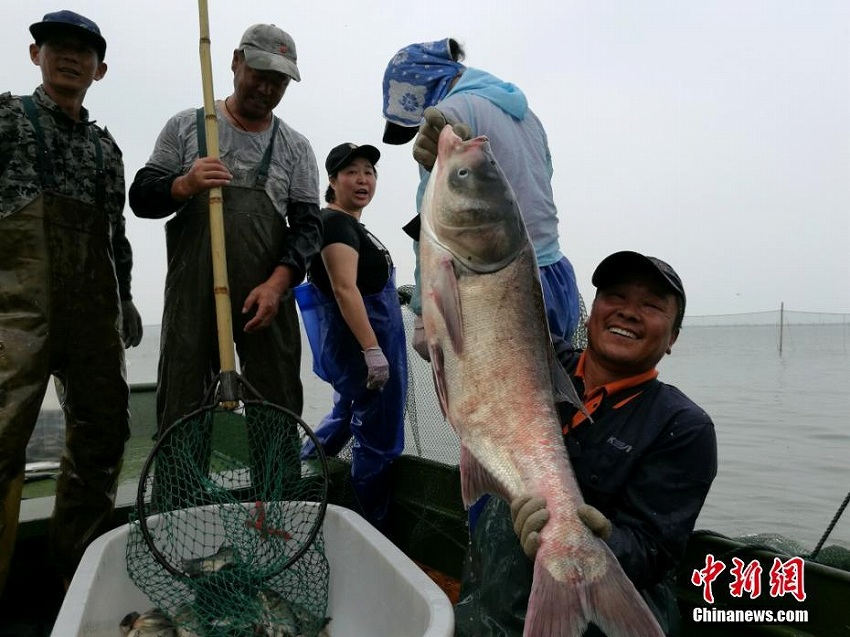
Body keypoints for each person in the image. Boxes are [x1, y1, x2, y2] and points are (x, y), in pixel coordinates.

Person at [453, 251, 718, 637]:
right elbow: (483, 301)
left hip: (602, 621)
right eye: (616, 296)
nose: (628, 312)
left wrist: (602, 538)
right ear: (591, 312)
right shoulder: (535, 359)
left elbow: (653, 551)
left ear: (673, 337)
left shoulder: (683, 426)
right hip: (492, 593)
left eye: (651, 305)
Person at [128, 24, 321, 490]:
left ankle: (277, 513)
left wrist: (278, 285)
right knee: (182, 401)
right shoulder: (187, 128)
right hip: (194, 291)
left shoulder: (296, 147)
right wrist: (184, 183)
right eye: (260, 73)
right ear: (235, 62)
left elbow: (309, 229)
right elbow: (142, 198)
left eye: (280, 81)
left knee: (276, 402)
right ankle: (180, 507)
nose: (268, 87)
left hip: (266, 296)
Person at [0, 10, 142, 592]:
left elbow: (117, 234)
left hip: (93, 311)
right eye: (58, 46)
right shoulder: (6, 118)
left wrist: (127, 301)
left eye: (83, 52)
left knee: (103, 436)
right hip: (16, 308)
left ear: (100, 70)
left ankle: (72, 581)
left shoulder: (106, 150)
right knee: (4, 434)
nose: (69, 57)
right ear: (36, 54)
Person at [381, 37, 581, 357]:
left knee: (494, 403)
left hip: (502, 292)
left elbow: (432, 223)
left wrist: (423, 310)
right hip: (555, 276)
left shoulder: (447, 115)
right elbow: (544, 179)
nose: (419, 124)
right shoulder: (525, 113)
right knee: (554, 398)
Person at [296, 143, 407, 531]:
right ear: (332, 180)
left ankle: (300, 476)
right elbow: (344, 289)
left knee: (344, 415)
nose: (363, 179)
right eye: (352, 172)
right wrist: (373, 351)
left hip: (364, 344)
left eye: (369, 172)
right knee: (378, 439)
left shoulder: (350, 224)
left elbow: (363, 279)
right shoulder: (336, 223)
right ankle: (371, 527)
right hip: (367, 347)